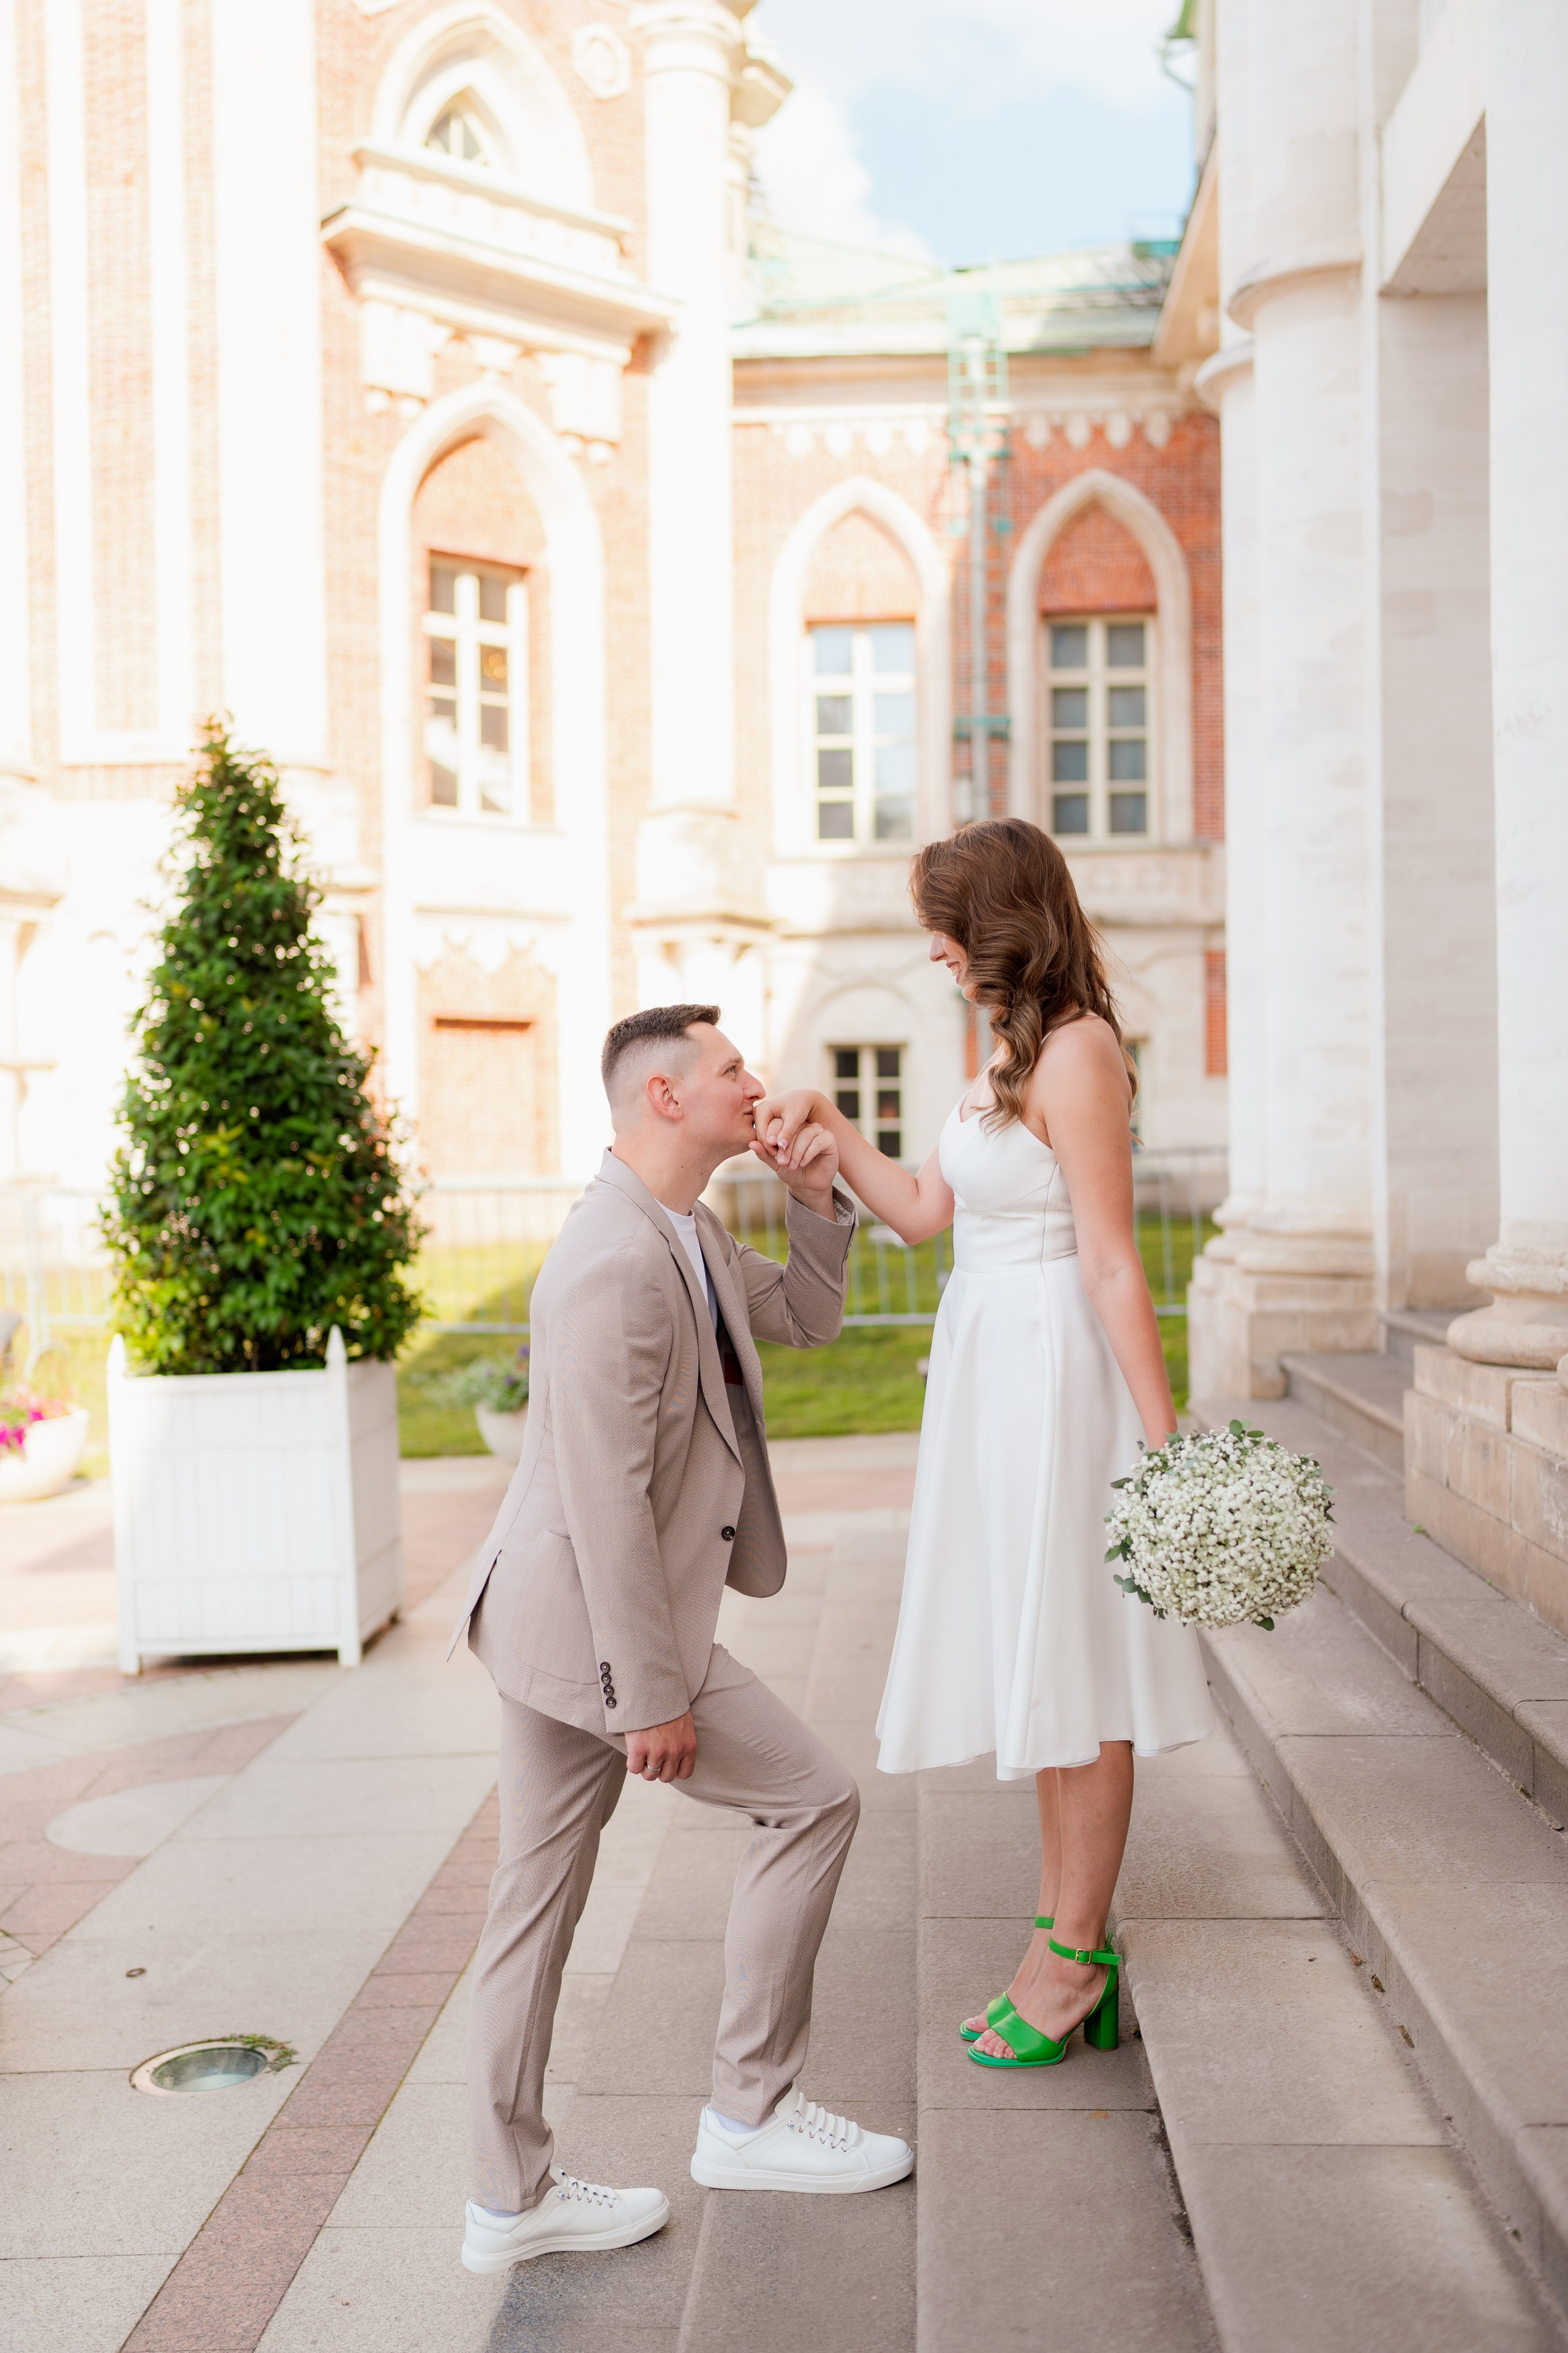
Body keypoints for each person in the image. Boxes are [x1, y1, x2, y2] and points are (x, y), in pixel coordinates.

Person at [451, 1004, 914, 2276]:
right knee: (813, 1801)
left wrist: (815, 1195)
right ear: (663, 1096)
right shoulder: (609, 1261)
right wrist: (645, 1695)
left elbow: (805, 1323)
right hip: (604, 1627)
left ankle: (508, 2201)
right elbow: (602, 1497)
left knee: (531, 1907)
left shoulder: (685, 1226)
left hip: (565, 1623)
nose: (754, 1084)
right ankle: (749, 2113)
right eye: (728, 1070)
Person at [755, 820, 1213, 2072]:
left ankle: (1072, 1959)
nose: (937, 955)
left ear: (1001, 925)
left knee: (1081, 1664)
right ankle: (1066, 1943)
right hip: (990, 1369)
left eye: (946, 931)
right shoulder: (1004, 1050)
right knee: (1039, 1652)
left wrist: (1165, 1448)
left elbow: (1114, 1261)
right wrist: (830, 1123)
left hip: (1058, 1376)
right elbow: (917, 1213)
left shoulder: (1077, 1053)